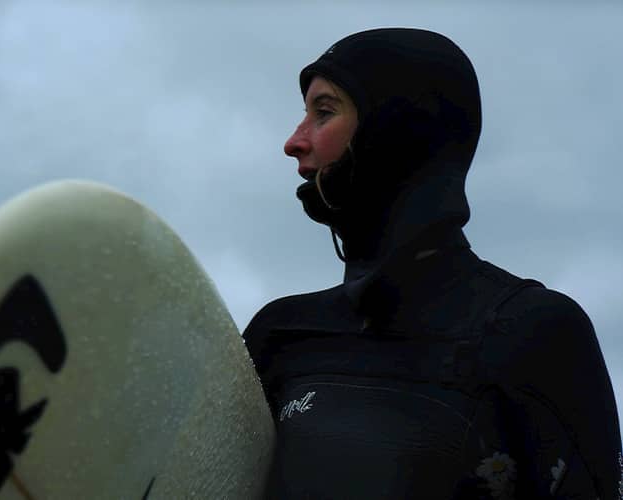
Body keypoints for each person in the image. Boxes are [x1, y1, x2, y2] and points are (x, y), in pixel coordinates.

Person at [243, 27, 621, 499]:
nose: (294, 142)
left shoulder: (530, 331)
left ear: (399, 128)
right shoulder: (279, 334)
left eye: (324, 112)